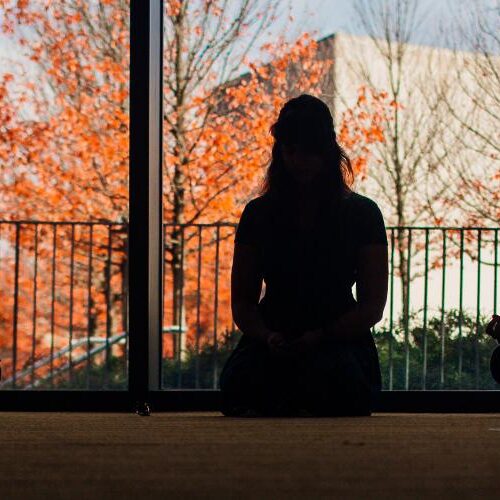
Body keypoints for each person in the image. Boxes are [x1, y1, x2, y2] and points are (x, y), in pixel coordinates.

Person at [219, 94, 389, 417]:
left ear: (326, 151)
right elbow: (370, 306)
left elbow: (373, 307)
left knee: (245, 388)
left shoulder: (260, 214)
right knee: (337, 388)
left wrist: (274, 336)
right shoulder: (362, 213)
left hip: (319, 335)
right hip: (320, 335)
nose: (299, 160)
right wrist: (271, 336)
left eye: (307, 151)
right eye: (292, 150)